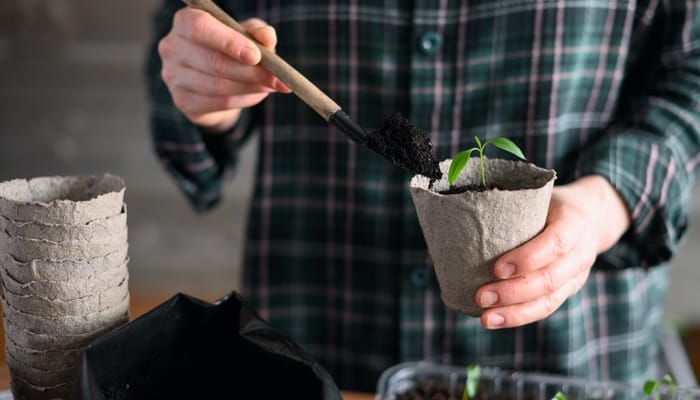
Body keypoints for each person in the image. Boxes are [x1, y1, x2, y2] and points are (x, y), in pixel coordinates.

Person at [146, 0, 700, 392]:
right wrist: (204, 85)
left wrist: (607, 201)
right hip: (315, 345)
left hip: (569, 356)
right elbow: (188, 35)